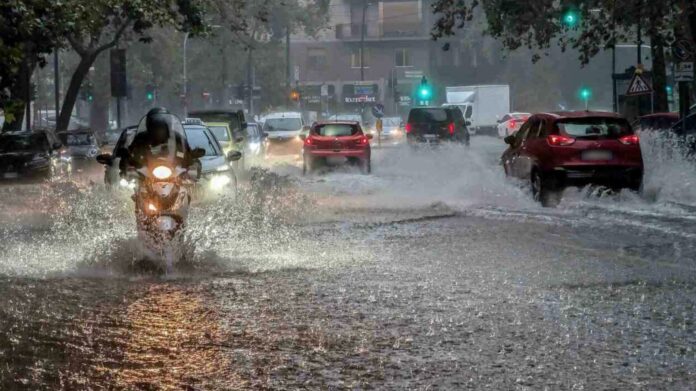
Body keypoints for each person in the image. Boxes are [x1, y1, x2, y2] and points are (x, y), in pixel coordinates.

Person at [120, 107, 196, 176]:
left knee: (189, 181)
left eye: (162, 127)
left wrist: (191, 156)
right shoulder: (141, 138)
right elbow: (132, 154)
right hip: (147, 173)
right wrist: (127, 156)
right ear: (149, 126)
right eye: (155, 127)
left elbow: (186, 153)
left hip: (173, 172)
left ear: (168, 126)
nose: (159, 131)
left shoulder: (177, 138)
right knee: (132, 184)